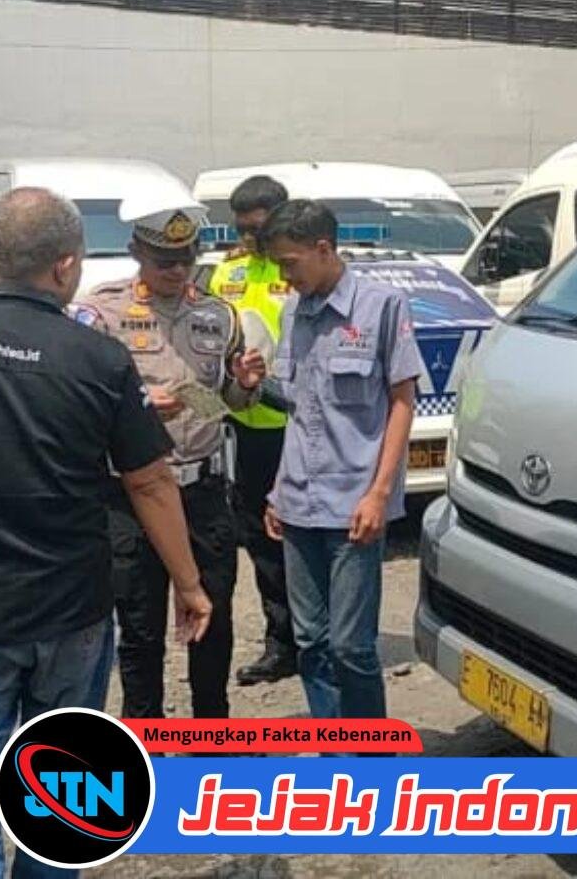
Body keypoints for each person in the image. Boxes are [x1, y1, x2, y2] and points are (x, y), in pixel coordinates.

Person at [0, 188, 211, 879]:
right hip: (71, 607)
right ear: (64, 266)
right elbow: (150, 483)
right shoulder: (98, 357)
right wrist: (190, 585)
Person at [74, 192, 266, 719]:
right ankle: (145, 738)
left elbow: (220, 401)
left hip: (201, 490)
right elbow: (81, 401)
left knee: (214, 620)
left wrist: (245, 386)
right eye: (165, 261)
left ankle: (211, 738)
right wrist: (136, 408)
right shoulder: (101, 312)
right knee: (140, 627)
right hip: (131, 495)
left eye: (186, 259)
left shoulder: (217, 314)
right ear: (137, 252)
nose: (177, 271)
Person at [260, 200, 422, 722]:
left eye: (290, 263)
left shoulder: (381, 307)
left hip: (355, 505)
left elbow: (402, 403)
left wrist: (380, 493)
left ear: (323, 248)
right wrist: (278, 491)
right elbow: (298, 410)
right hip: (298, 504)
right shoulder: (293, 312)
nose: (284, 277)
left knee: (351, 645)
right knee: (310, 640)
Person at [208, 175, 296, 686]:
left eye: (257, 228)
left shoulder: (299, 268)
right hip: (244, 424)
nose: (248, 237)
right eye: (241, 228)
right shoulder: (229, 271)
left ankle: (320, 637)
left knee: (307, 534)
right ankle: (281, 642)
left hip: (298, 424)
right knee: (260, 537)